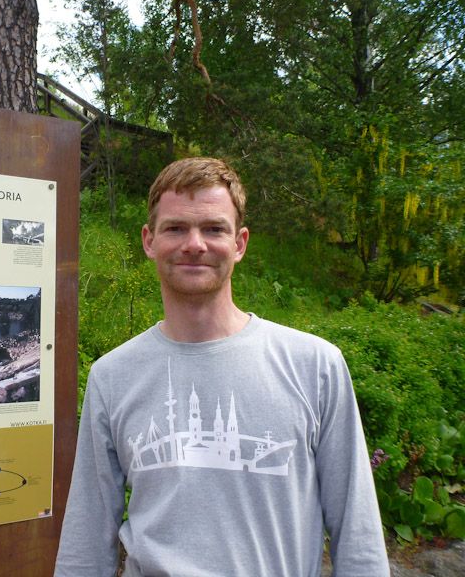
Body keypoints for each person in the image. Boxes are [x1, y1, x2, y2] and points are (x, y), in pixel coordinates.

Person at [54, 158, 389, 576]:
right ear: (149, 240)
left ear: (240, 243)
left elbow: (357, 535)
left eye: (214, 228)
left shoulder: (315, 366)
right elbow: (86, 537)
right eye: (176, 228)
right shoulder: (113, 376)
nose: (195, 244)